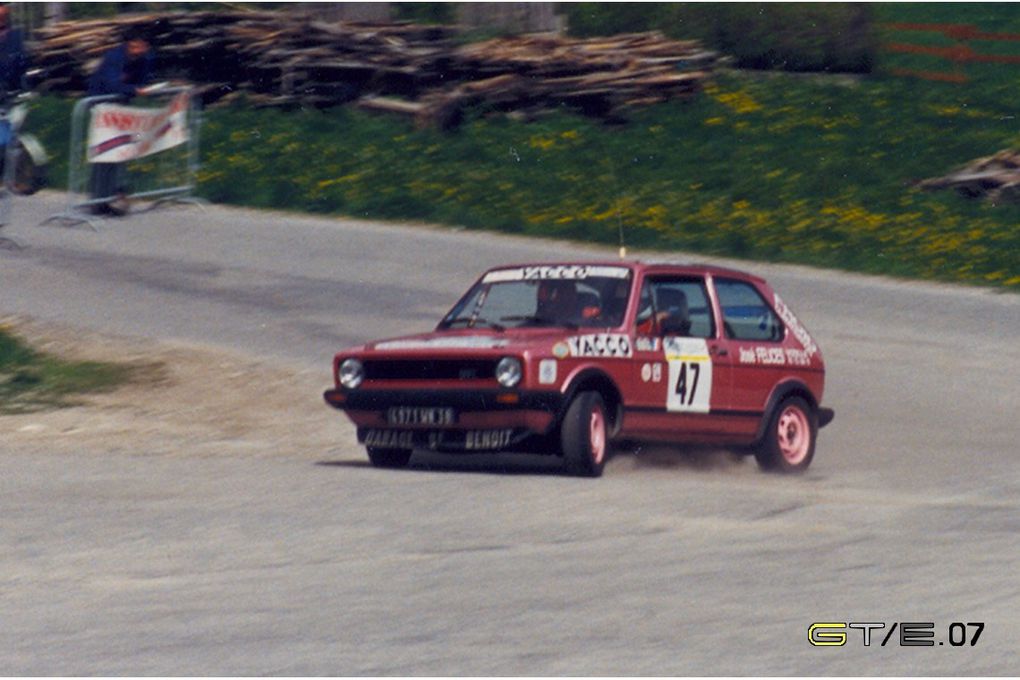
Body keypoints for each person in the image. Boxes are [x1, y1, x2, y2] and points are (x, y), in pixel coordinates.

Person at [87, 25, 155, 215]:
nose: (137, 52)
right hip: (102, 107)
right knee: (104, 152)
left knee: (121, 150)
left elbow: (145, 79)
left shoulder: (147, 59)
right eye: (133, 47)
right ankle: (98, 199)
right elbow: (112, 84)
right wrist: (134, 90)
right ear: (127, 45)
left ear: (147, 47)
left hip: (122, 108)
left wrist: (144, 88)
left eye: (141, 47)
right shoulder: (114, 57)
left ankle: (114, 194)